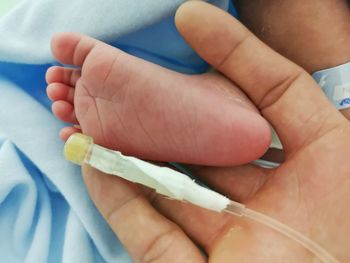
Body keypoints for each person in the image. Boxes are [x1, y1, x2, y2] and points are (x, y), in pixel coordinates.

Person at [47, 1, 350, 262]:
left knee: (299, 17)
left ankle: (249, 97)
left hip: (312, 121)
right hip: (316, 142)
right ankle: (241, 97)